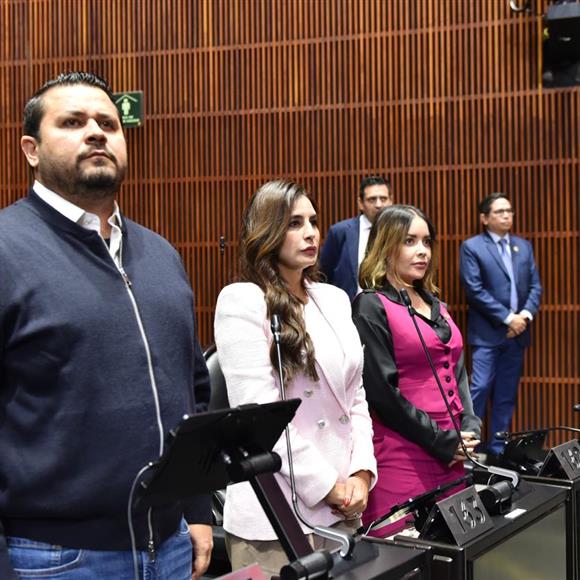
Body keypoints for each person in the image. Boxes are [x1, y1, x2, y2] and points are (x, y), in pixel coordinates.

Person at [0, 72, 213, 580]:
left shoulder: (160, 253)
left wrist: (197, 507)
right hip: (51, 556)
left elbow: (192, 393)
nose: (96, 132)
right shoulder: (6, 247)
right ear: (31, 150)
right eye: (72, 122)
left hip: (172, 545)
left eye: (108, 124)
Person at [214, 180, 377, 577]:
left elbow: (355, 396)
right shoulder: (242, 300)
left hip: (343, 504)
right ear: (266, 231)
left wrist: (361, 473)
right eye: (294, 223)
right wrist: (328, 486)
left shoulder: (334, 298)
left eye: (313, 221)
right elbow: (261, 416)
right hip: (276, 511)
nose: (310, 233)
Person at [351, 205, 481, 537]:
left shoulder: (437, 304)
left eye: (426, 241)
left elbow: (458, 371)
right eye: (409, 241)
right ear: (386, 245)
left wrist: (470, 424)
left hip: (453, 454)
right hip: (404, 456)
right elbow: (382, 394)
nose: (422, 250)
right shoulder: (370, 305)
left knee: (459, 553)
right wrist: (441, 440)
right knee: (409, 557)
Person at [460, 193, 542, 461]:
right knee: (479, 388)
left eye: (509, 210)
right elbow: (474, 289)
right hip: (488, 334)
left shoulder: (523, 246)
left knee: (506, 395)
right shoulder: (472, 247)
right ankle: (469, 448)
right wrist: (509, 318)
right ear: (484, 218)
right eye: (499, 211)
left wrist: (524, 318)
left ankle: (497, 450)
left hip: (518, 334)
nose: (507, 215)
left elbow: (535, 287)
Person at [320, 175, 393, 300]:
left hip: (390, 306)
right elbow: (323, 275)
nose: (378, 204)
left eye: (383, 199)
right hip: (349, 306)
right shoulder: (340, 232)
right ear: (360, 203)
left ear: (391, 201)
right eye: (372, 199)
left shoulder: (401, 232)